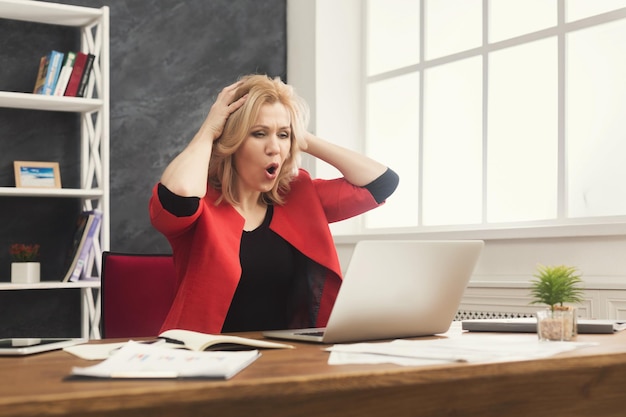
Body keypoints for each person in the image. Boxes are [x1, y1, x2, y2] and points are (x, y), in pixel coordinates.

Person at [149, 74, 399, 334]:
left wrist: (302, 137)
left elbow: (381, 183)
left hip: (290, 357)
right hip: (208, 357)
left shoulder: (299, 195)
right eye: (259, 133)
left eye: (282, 136)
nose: (275, 148)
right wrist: (209, 131)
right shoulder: (200, 205)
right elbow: (178, 195)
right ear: (231, 141)